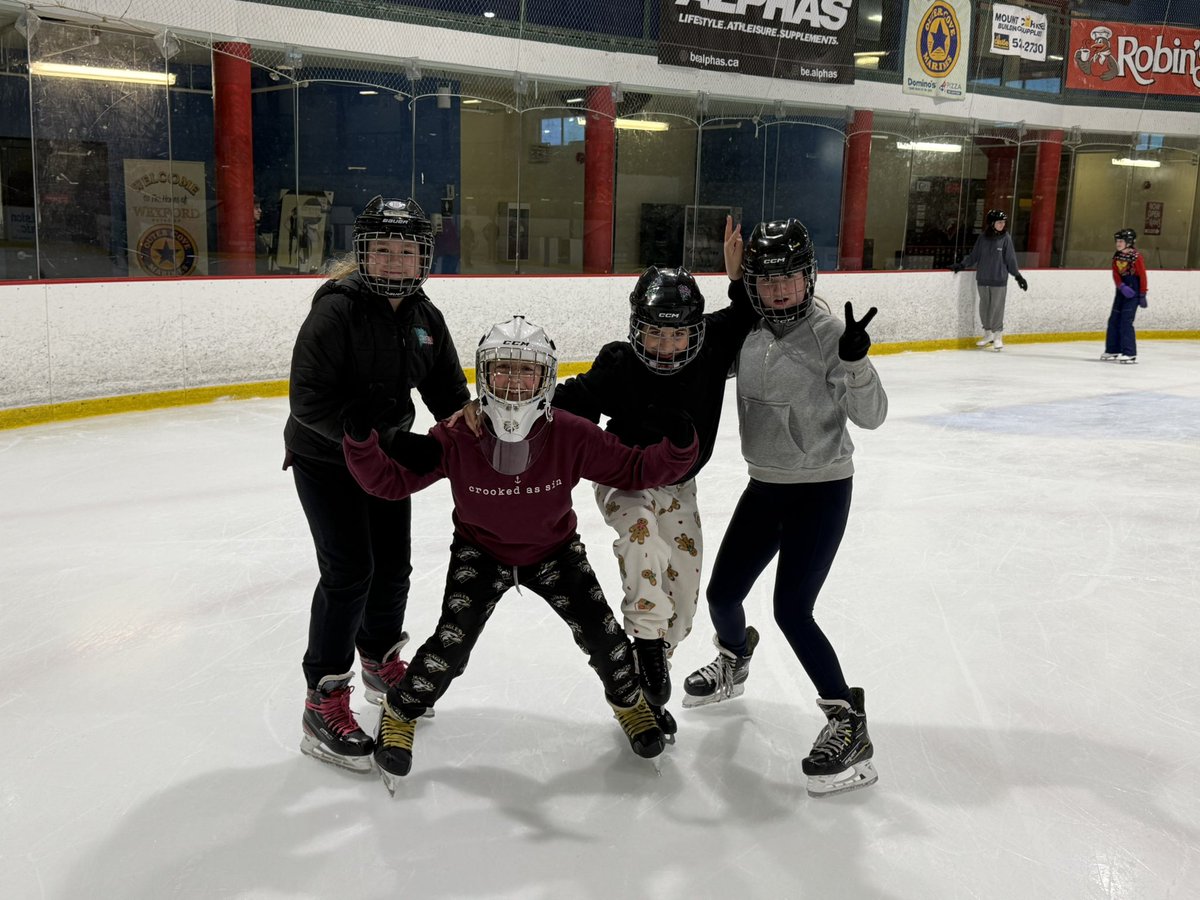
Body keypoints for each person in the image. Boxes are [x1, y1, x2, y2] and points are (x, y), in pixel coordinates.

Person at [342, 316, 700, 793]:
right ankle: (399, 712)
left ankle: (631, 704)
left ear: (546, 378)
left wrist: (679, 447)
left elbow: (634, 469)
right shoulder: (457, 435)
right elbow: (389, 483)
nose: (514, 382)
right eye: (502, 369)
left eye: (526, 371)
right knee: (450, 646)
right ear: (483, 375)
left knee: (604, 637)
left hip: (555, 552)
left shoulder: (572, 433)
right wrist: (361, 440)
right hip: (480, 552)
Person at [680, 218, 888, 799]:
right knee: (723, 595)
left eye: (789, 279)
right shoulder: (748, 330)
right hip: (765, 486)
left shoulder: (827, 334)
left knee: (792, 609)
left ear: (809, 277)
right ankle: (733, 661)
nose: (778, 291)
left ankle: (848, 721)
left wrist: (855, 363)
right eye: (766, 281)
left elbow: (873, 416)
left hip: (821, 489)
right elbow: (703, 360)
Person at [537, 246, 755, 742]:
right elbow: (573, 401)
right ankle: (648, 648)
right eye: (655, 332)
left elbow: (743, 313)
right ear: (638, 327)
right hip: (626, 478)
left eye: (678, 333)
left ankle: (649, 664)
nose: (666, 346)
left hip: (680, 486)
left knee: (681, 595)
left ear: (695, 331)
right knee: (643, 546)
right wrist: (517, 396)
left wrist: (737, 275)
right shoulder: (620, 363)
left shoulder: (714, 347)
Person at [284, 196, 470, 774]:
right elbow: (307, 400)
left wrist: (486, 433)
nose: (394, 262)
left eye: (406, 251)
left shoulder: (424, 317)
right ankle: (323, 699)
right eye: (382, 250)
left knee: (393, 567)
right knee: (349, 574)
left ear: (423, 258)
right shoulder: (335, 312)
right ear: (362, 253)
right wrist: (361, 430)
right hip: (326, 459)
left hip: (384, 459)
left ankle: (379, 659)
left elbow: (449, 395)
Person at [950, 209, 1028, 351]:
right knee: (984, 308)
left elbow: (1011, 259)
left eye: (1003, 222)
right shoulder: (983, 238)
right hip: (983, 280)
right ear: (992, 223)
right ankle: (987, 335)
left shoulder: (1006, 239)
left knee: (997, 308)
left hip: (999, 280)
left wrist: (1018, 276)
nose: (1002, 225)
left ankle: (998, 336)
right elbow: (974, 256)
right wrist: (962, 265)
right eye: (999, 222)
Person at [1102, 228, 1148, 364]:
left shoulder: (1136, 257)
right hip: (1121, 291)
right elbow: (1115, 273)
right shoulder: (1117, 255)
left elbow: (1142, 275)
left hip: (1133, 292)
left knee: (1126, 321)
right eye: (1117, 241)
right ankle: (1112, 349)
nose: (1118, 243)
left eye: (1121, 241)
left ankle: (1129, 353)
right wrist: (1120, 286)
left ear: (1129, 242)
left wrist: (1142, 294)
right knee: (1113, 320)